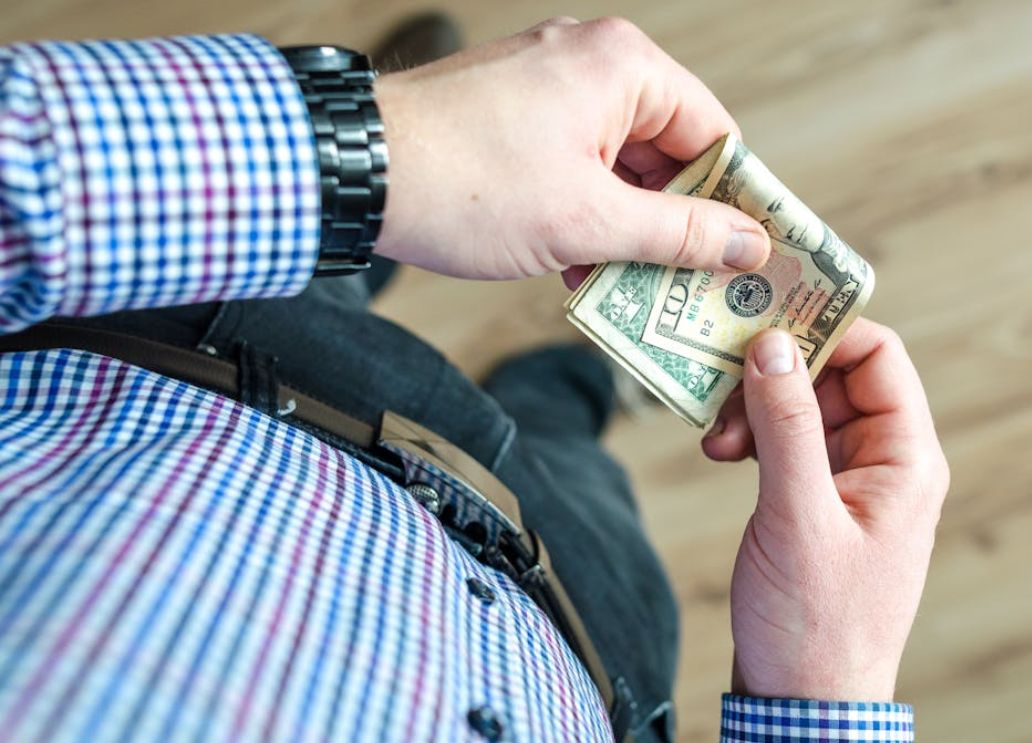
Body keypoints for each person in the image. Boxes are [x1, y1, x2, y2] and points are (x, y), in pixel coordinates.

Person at [0, 13, 948, 743]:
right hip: (591, 637)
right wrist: (826, 691)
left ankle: (370, 225)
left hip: (197, 374)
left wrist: (369, 147)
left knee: (326, 264)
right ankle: (573, 382)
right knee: (575, 457)